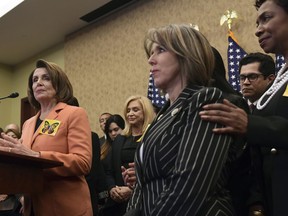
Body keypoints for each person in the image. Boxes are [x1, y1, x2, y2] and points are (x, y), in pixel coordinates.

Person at [124, 23, 245, 216]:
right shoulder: (161, 115)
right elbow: (143, 183)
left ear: (186, 55)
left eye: (160, 50)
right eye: (151, 52)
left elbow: (191, 183)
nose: (151, 60)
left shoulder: (205, 99)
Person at [199, 1, 288, 215]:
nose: (258, 30)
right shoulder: (281, 78)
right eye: (257, 22)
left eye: (266, 18)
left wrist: (249, 124)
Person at [0, 59, 92, 216]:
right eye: (35, 80)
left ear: (59, 84)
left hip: (66, 208)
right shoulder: (28, 124)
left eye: (46, 78)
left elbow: (83, 162)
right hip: (33, 207)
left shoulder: (74, 113)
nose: (38, 83)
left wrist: (36, 156)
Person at [106, 95, 155, 216]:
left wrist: (132, 190)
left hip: (146, 200)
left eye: (135, 110)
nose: (130, 114)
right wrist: (112, 188)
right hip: (118, 202)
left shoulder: (153, 137)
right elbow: (108, 171)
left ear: (145, 112)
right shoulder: (119, 140)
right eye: (128, 111)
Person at [99, 114, 125, 215]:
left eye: (116, 129)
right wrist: (111, 187)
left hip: (124, 191)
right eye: (110, 131)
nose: (113, 133)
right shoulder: (104, 146)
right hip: (108, 193)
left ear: (123, 128)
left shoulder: (127, 144)